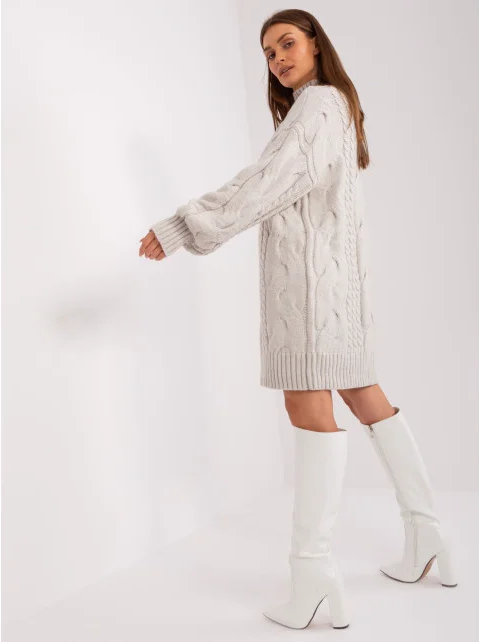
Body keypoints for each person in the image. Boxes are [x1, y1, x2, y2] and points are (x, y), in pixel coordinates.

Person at [138, 8, 458, 630]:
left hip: (312, 290)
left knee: (308, 406)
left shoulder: (317, 106)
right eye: (268, 53)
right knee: (365, 395)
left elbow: (263, 184)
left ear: (315, 44)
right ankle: (427, 532)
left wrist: (182, 226)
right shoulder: (336, 107)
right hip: (340, 287)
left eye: (287, 43)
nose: (278, 59)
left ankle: (312, 575)